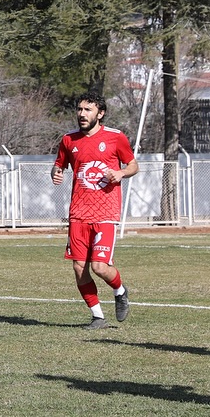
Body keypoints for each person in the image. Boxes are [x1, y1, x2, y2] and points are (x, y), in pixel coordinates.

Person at [52, 92, 137, 328]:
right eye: (79, 109)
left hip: (105, 213)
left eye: (87, 110)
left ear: (100, 114)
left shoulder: (115, 137)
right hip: (78, 212)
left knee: (99, 267)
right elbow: (59, 164)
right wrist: (56, 172)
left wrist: (120, 173)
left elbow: (133, 165)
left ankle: (120, 291)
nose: (81, 114)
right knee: (79, 268)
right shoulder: (69, 140)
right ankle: (98, 316)